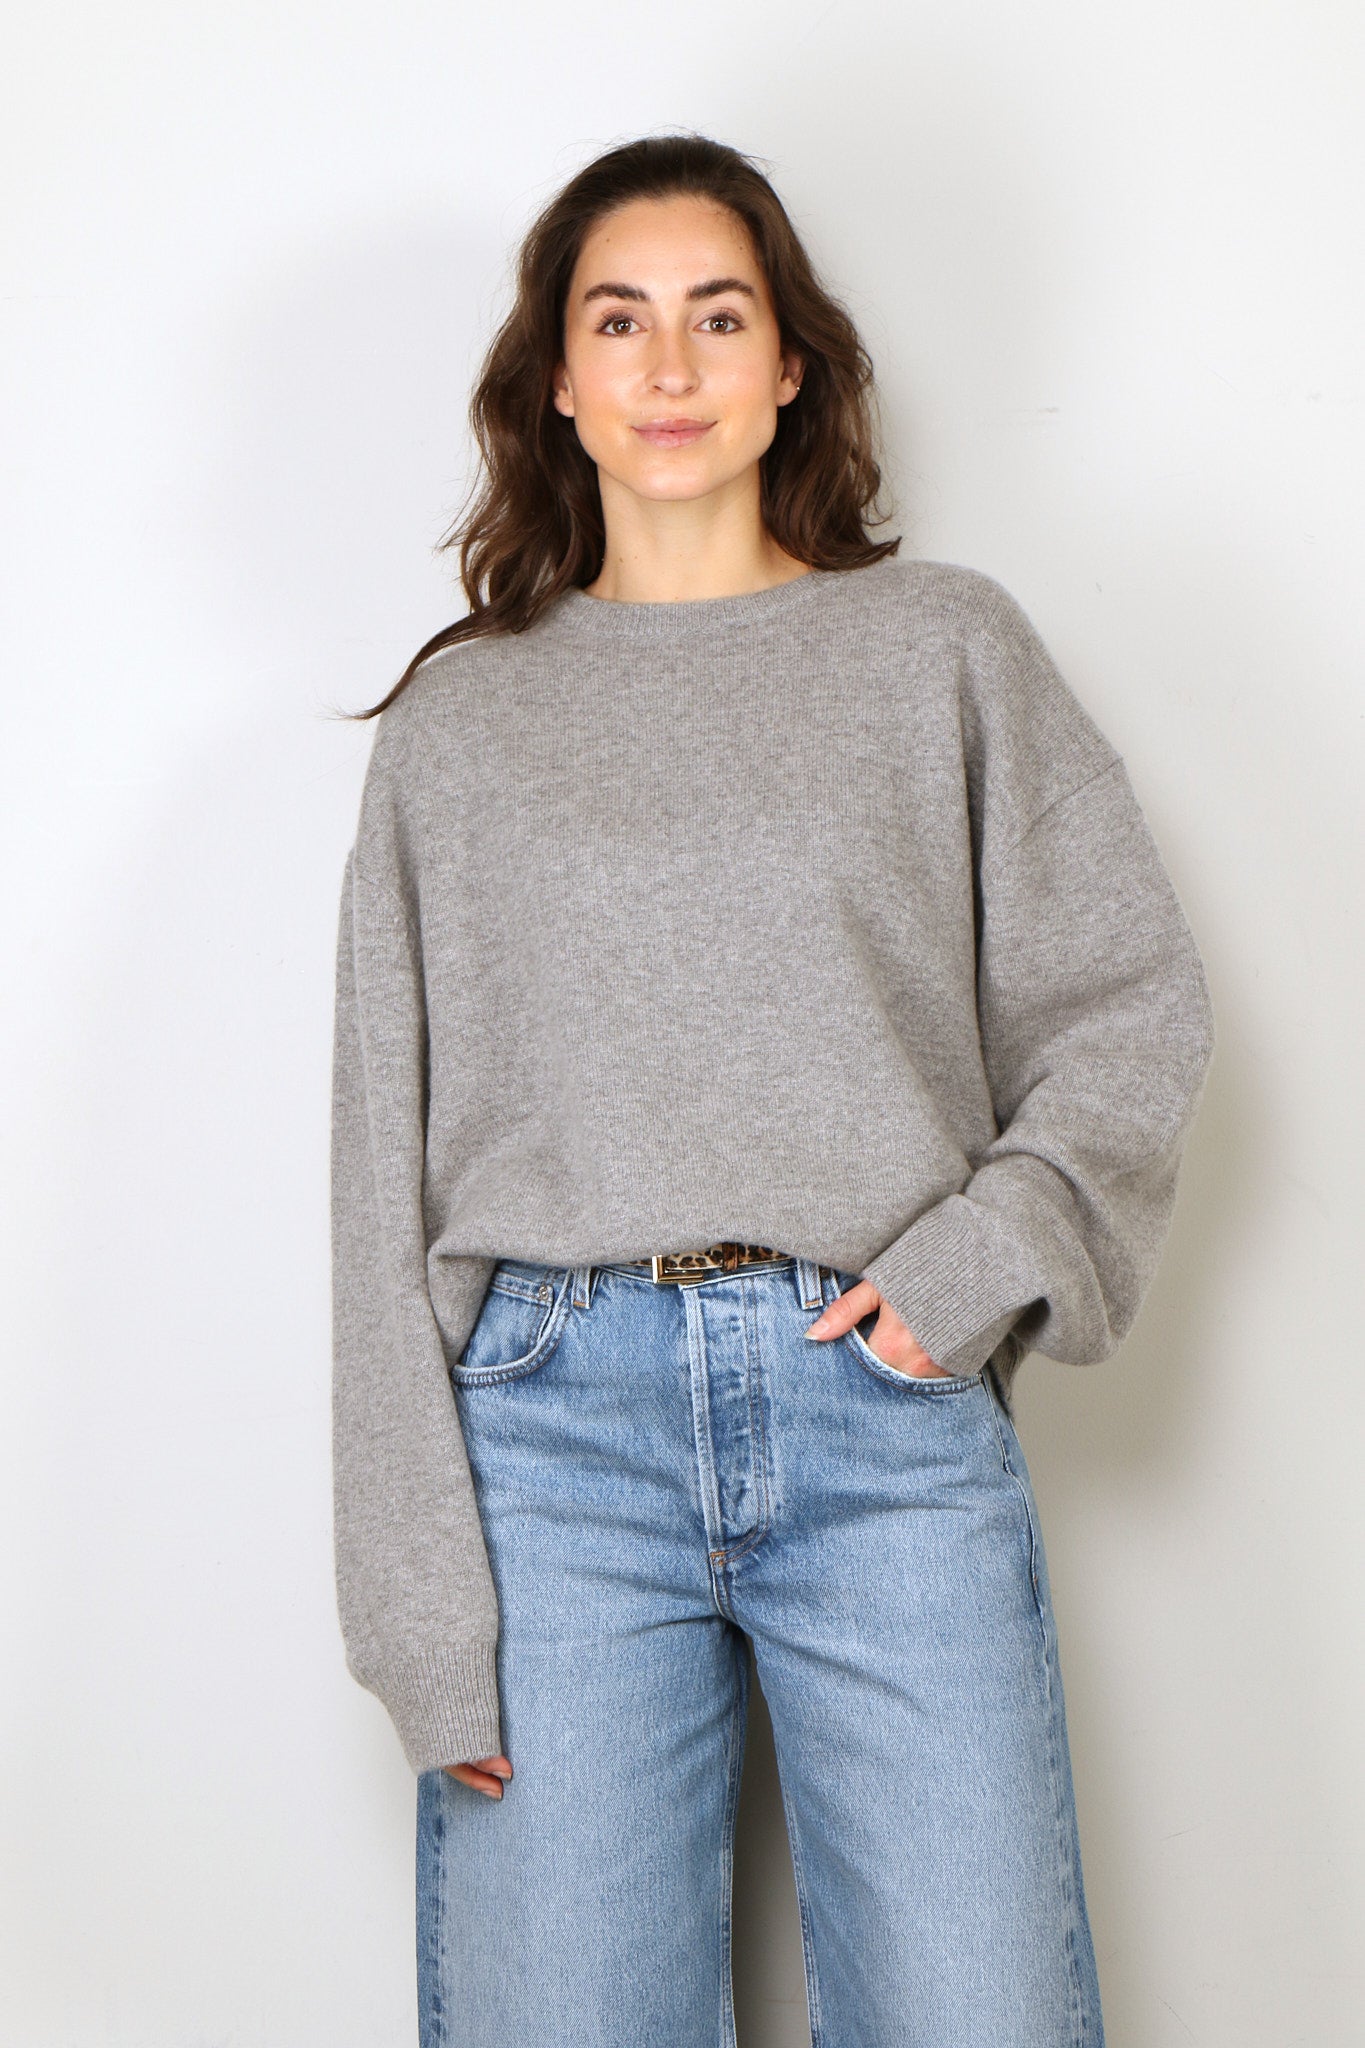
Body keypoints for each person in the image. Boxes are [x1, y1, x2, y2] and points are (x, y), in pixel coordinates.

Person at [329, 132, 1215, 2047]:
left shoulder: (941, 651)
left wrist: (976, 1262)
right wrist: (416, 1612)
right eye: (617, 321)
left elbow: (1125, 1007)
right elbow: (374, 1176)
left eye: (717, 317)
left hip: (877, 1412)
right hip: (547, 1449)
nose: (668, 366)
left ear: (790, 363)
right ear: (555, 382)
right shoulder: (462, 724)